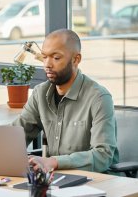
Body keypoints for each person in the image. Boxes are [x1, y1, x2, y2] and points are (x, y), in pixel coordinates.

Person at [12, 29, 119, 173]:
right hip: (52, 179)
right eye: (44, 57)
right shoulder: (40, 93)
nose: (47, 64)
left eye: (56, 58)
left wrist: (54, 162)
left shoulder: (99, 98)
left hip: (94, 181)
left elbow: (103, 156)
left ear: (76, 60)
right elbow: (15, 136)